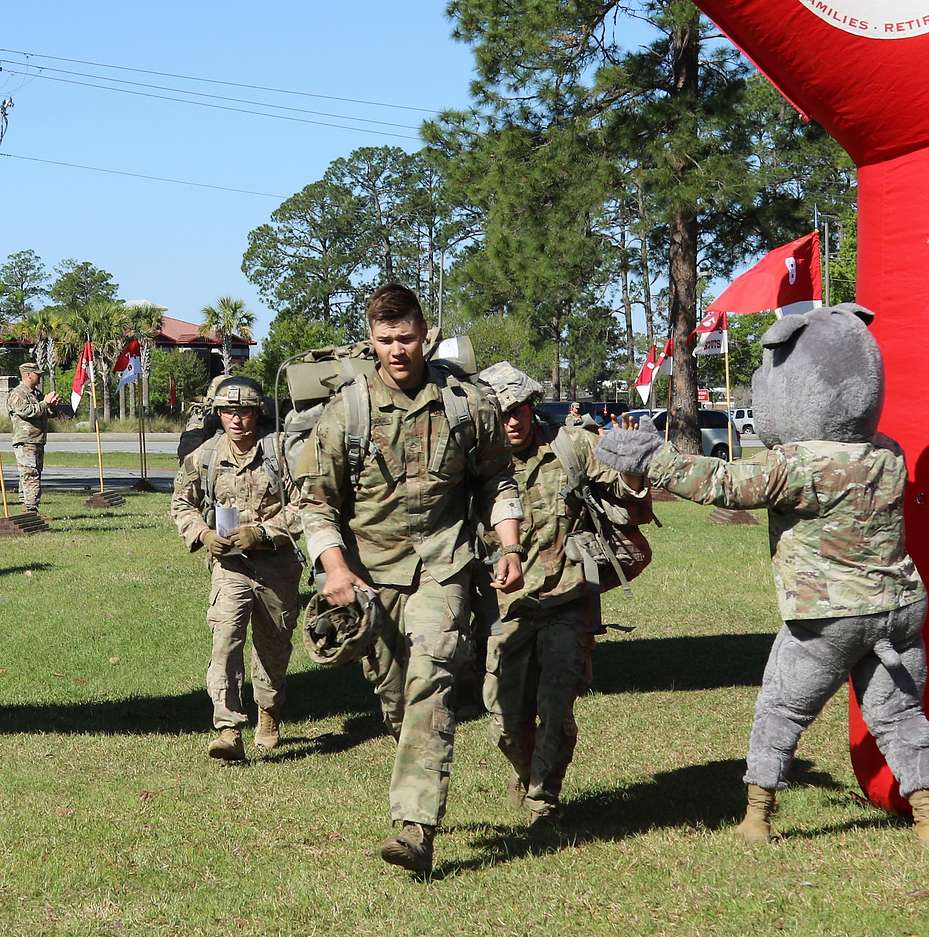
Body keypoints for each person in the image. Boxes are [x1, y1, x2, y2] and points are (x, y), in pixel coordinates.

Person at [596, 304, 929, 847]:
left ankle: (757, 815)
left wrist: (652, 458)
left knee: (781, 709)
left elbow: (726, 485)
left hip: (826, 615)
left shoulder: (797, 463)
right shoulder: (889, 456)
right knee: (899, 713)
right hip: (898, 610)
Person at [295, 283, 525, 874]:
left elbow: (497, 481)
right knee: (397, 698)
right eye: (385, 339)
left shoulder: (465, 403)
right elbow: (315, 504)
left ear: (427, 334)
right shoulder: (347, 411)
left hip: (444, 565)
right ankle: (415, 770)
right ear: (371, 341)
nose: (397, 350)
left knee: (433, 679)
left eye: (407, 337)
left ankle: (415, 828)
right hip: (369, 578)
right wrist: (336, 570)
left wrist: (509, 544)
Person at [475, 362, 650, 824]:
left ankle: (543, 797)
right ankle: (529, 768)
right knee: (506, 721)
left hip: (567, 599)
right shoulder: (475, 464)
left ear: (534, 408)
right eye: (503, 411)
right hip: (506, 607)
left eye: (521, 409)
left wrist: (632, 468)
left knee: (555, 704)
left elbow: (627, 492)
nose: (513, 420)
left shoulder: (570, 447)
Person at [171, 376, 303, 762]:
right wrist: (202, 534)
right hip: (229, 568)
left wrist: (264, 532)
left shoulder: (281, 453)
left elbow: (307, 505)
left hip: (277, 567)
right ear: (219, 414)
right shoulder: (205, 456)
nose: (236, 419)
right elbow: (181, 503)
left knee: (272, 648)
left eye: (243, 411)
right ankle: (228, 729)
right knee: (225, 641)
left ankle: (268, 712)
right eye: (228, 411)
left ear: (256, 413)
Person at [7, 362, 59, 514]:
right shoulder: (18, 393)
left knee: (32, 474)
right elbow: (26, 411)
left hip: (37, 440)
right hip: (25, 441)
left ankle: (27, 507)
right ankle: (31, 510)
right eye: (38, 374)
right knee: (31, 474)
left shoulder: (36, 394)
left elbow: (47, 412)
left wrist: (52, 406)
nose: (40, 377)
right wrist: (45, 403)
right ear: (28, 375)